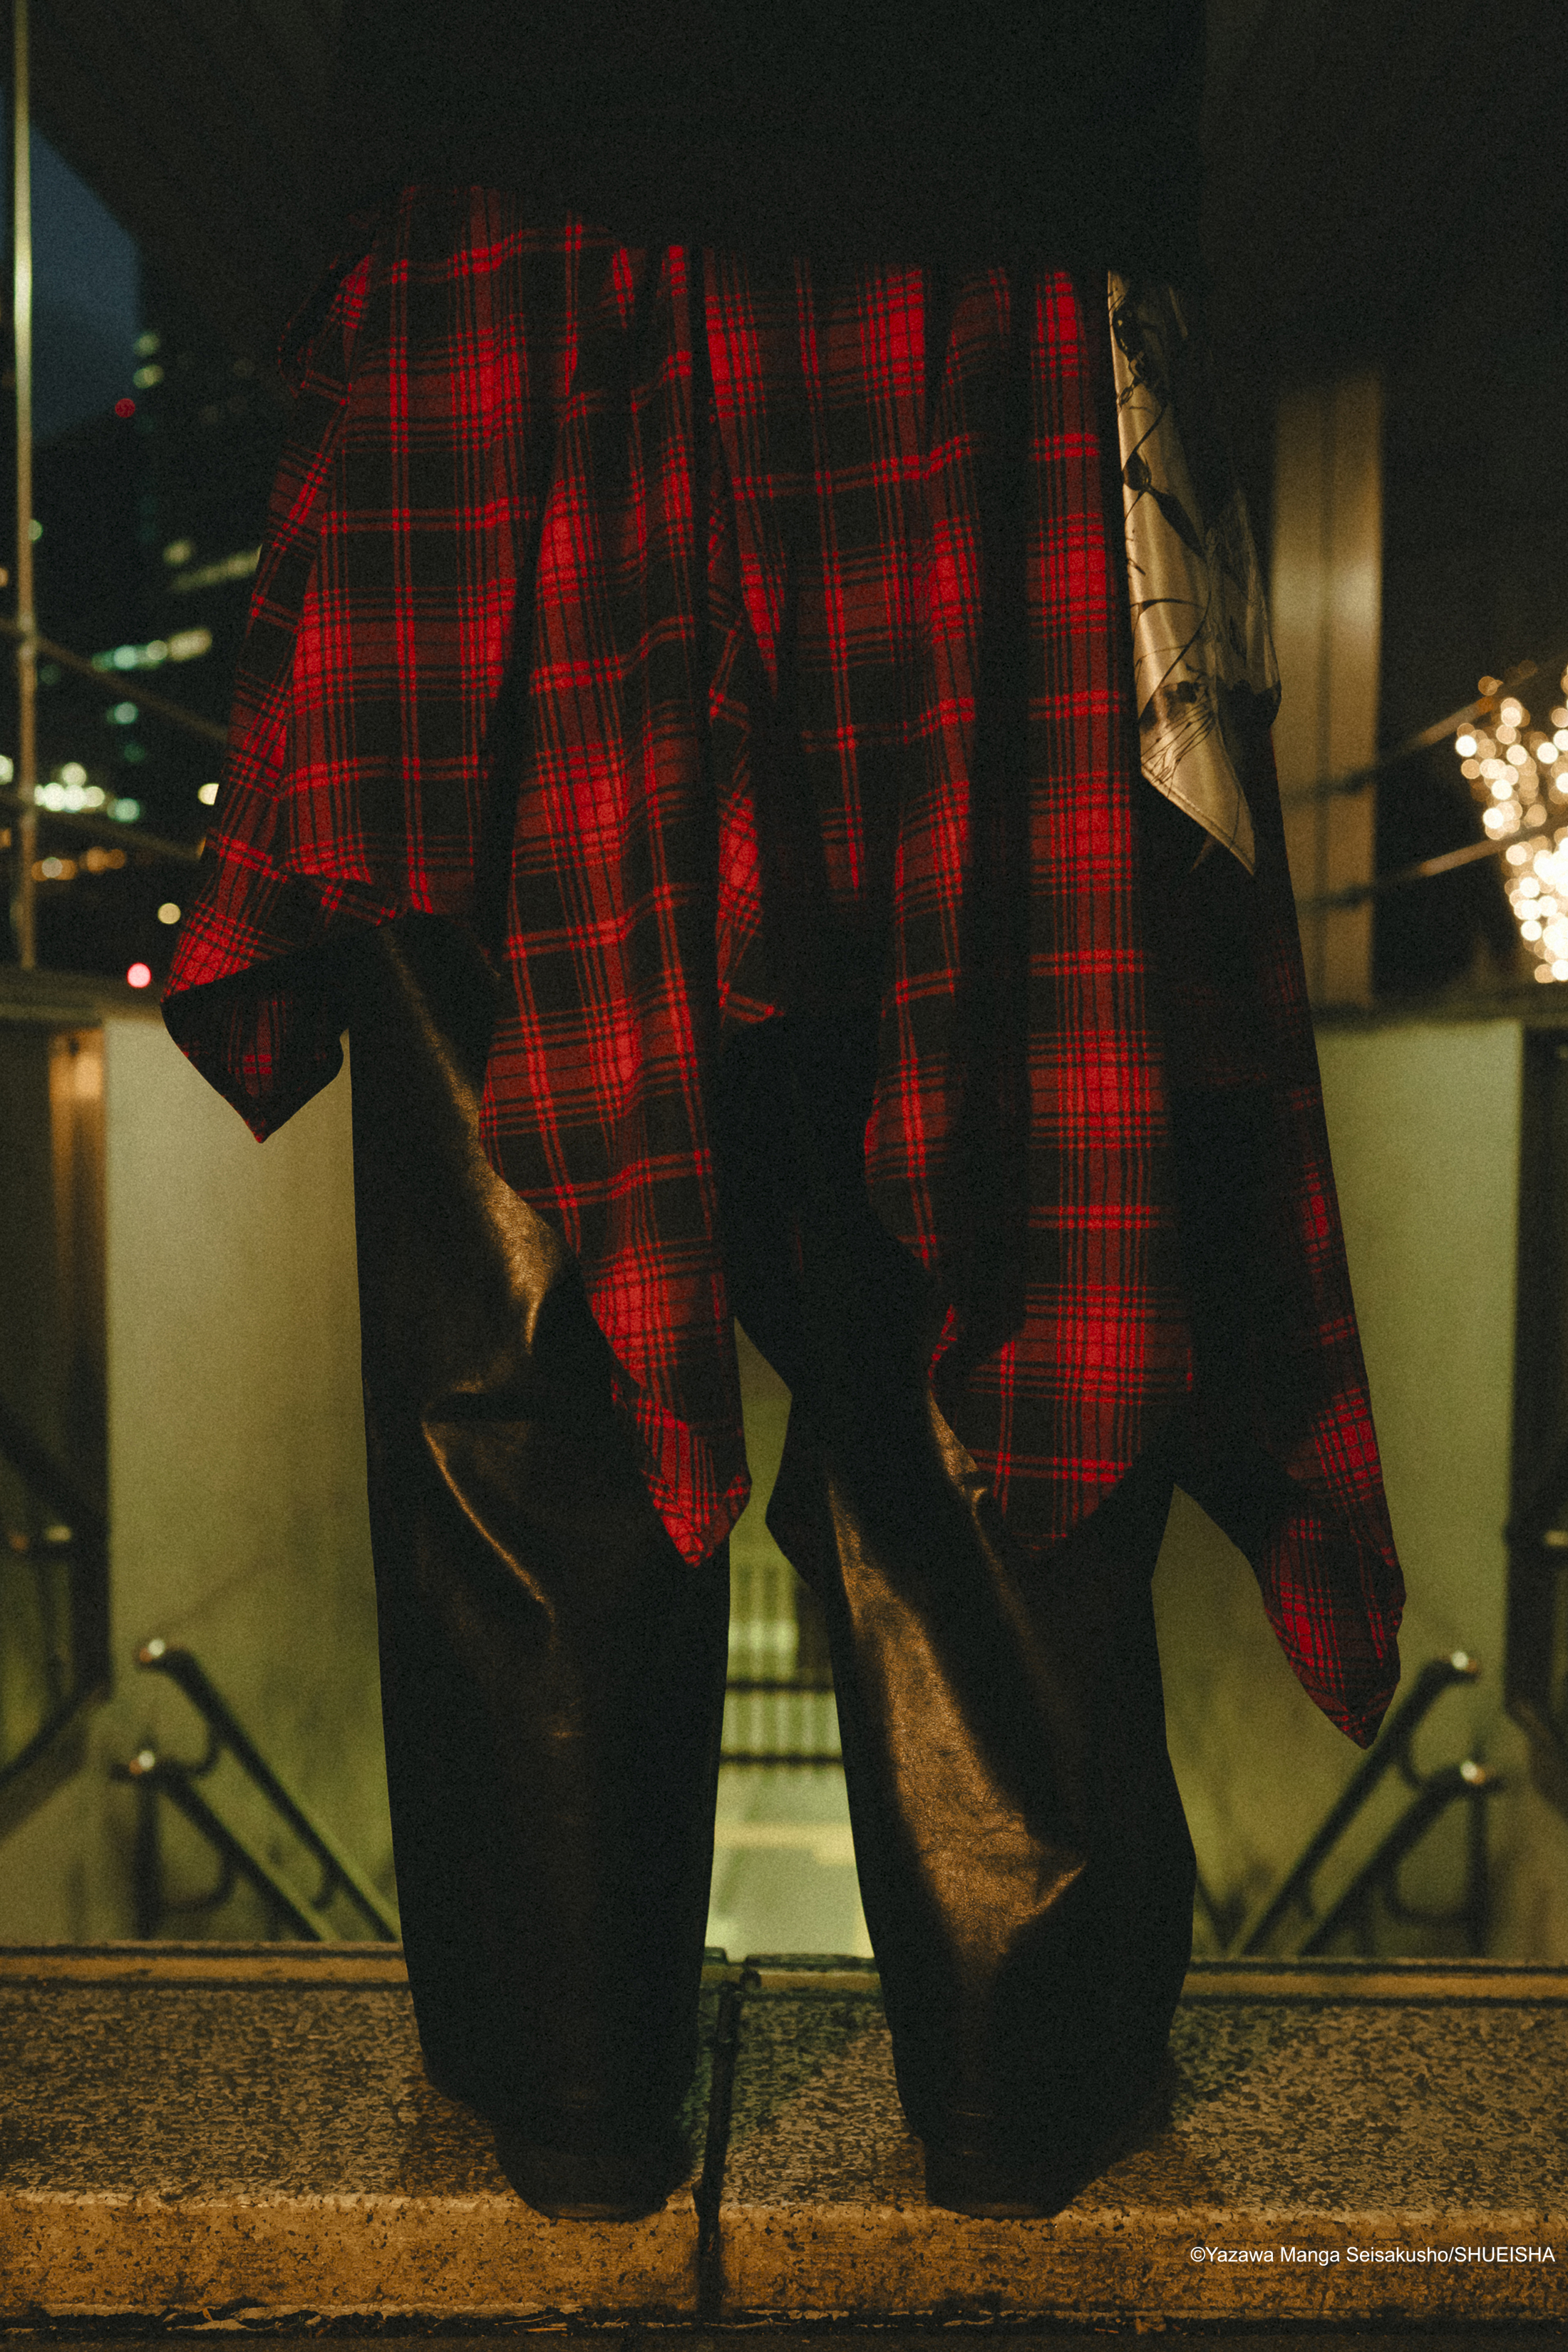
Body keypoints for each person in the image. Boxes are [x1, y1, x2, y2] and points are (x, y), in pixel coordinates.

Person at [163, 0, 1404, 2222]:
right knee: (995, 1247)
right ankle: (1025, 2093)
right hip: (984, 243)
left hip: (504, 256)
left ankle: (572, 2092)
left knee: (518, 1332)